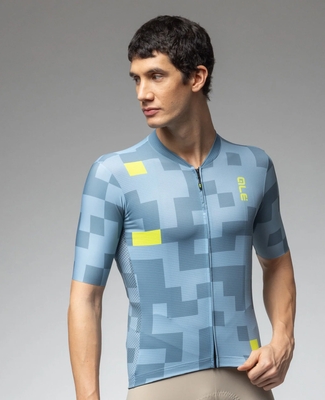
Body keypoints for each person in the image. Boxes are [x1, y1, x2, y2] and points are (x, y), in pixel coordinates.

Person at [68, 15, 296, 400]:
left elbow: (277, 263)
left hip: (247, 382)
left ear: (196, 77)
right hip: (160, 382)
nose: (142, 93)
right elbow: (85, 299)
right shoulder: (114, 175)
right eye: (136, 79)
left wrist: (283, 341)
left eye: (156, 76)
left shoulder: (253, 167)